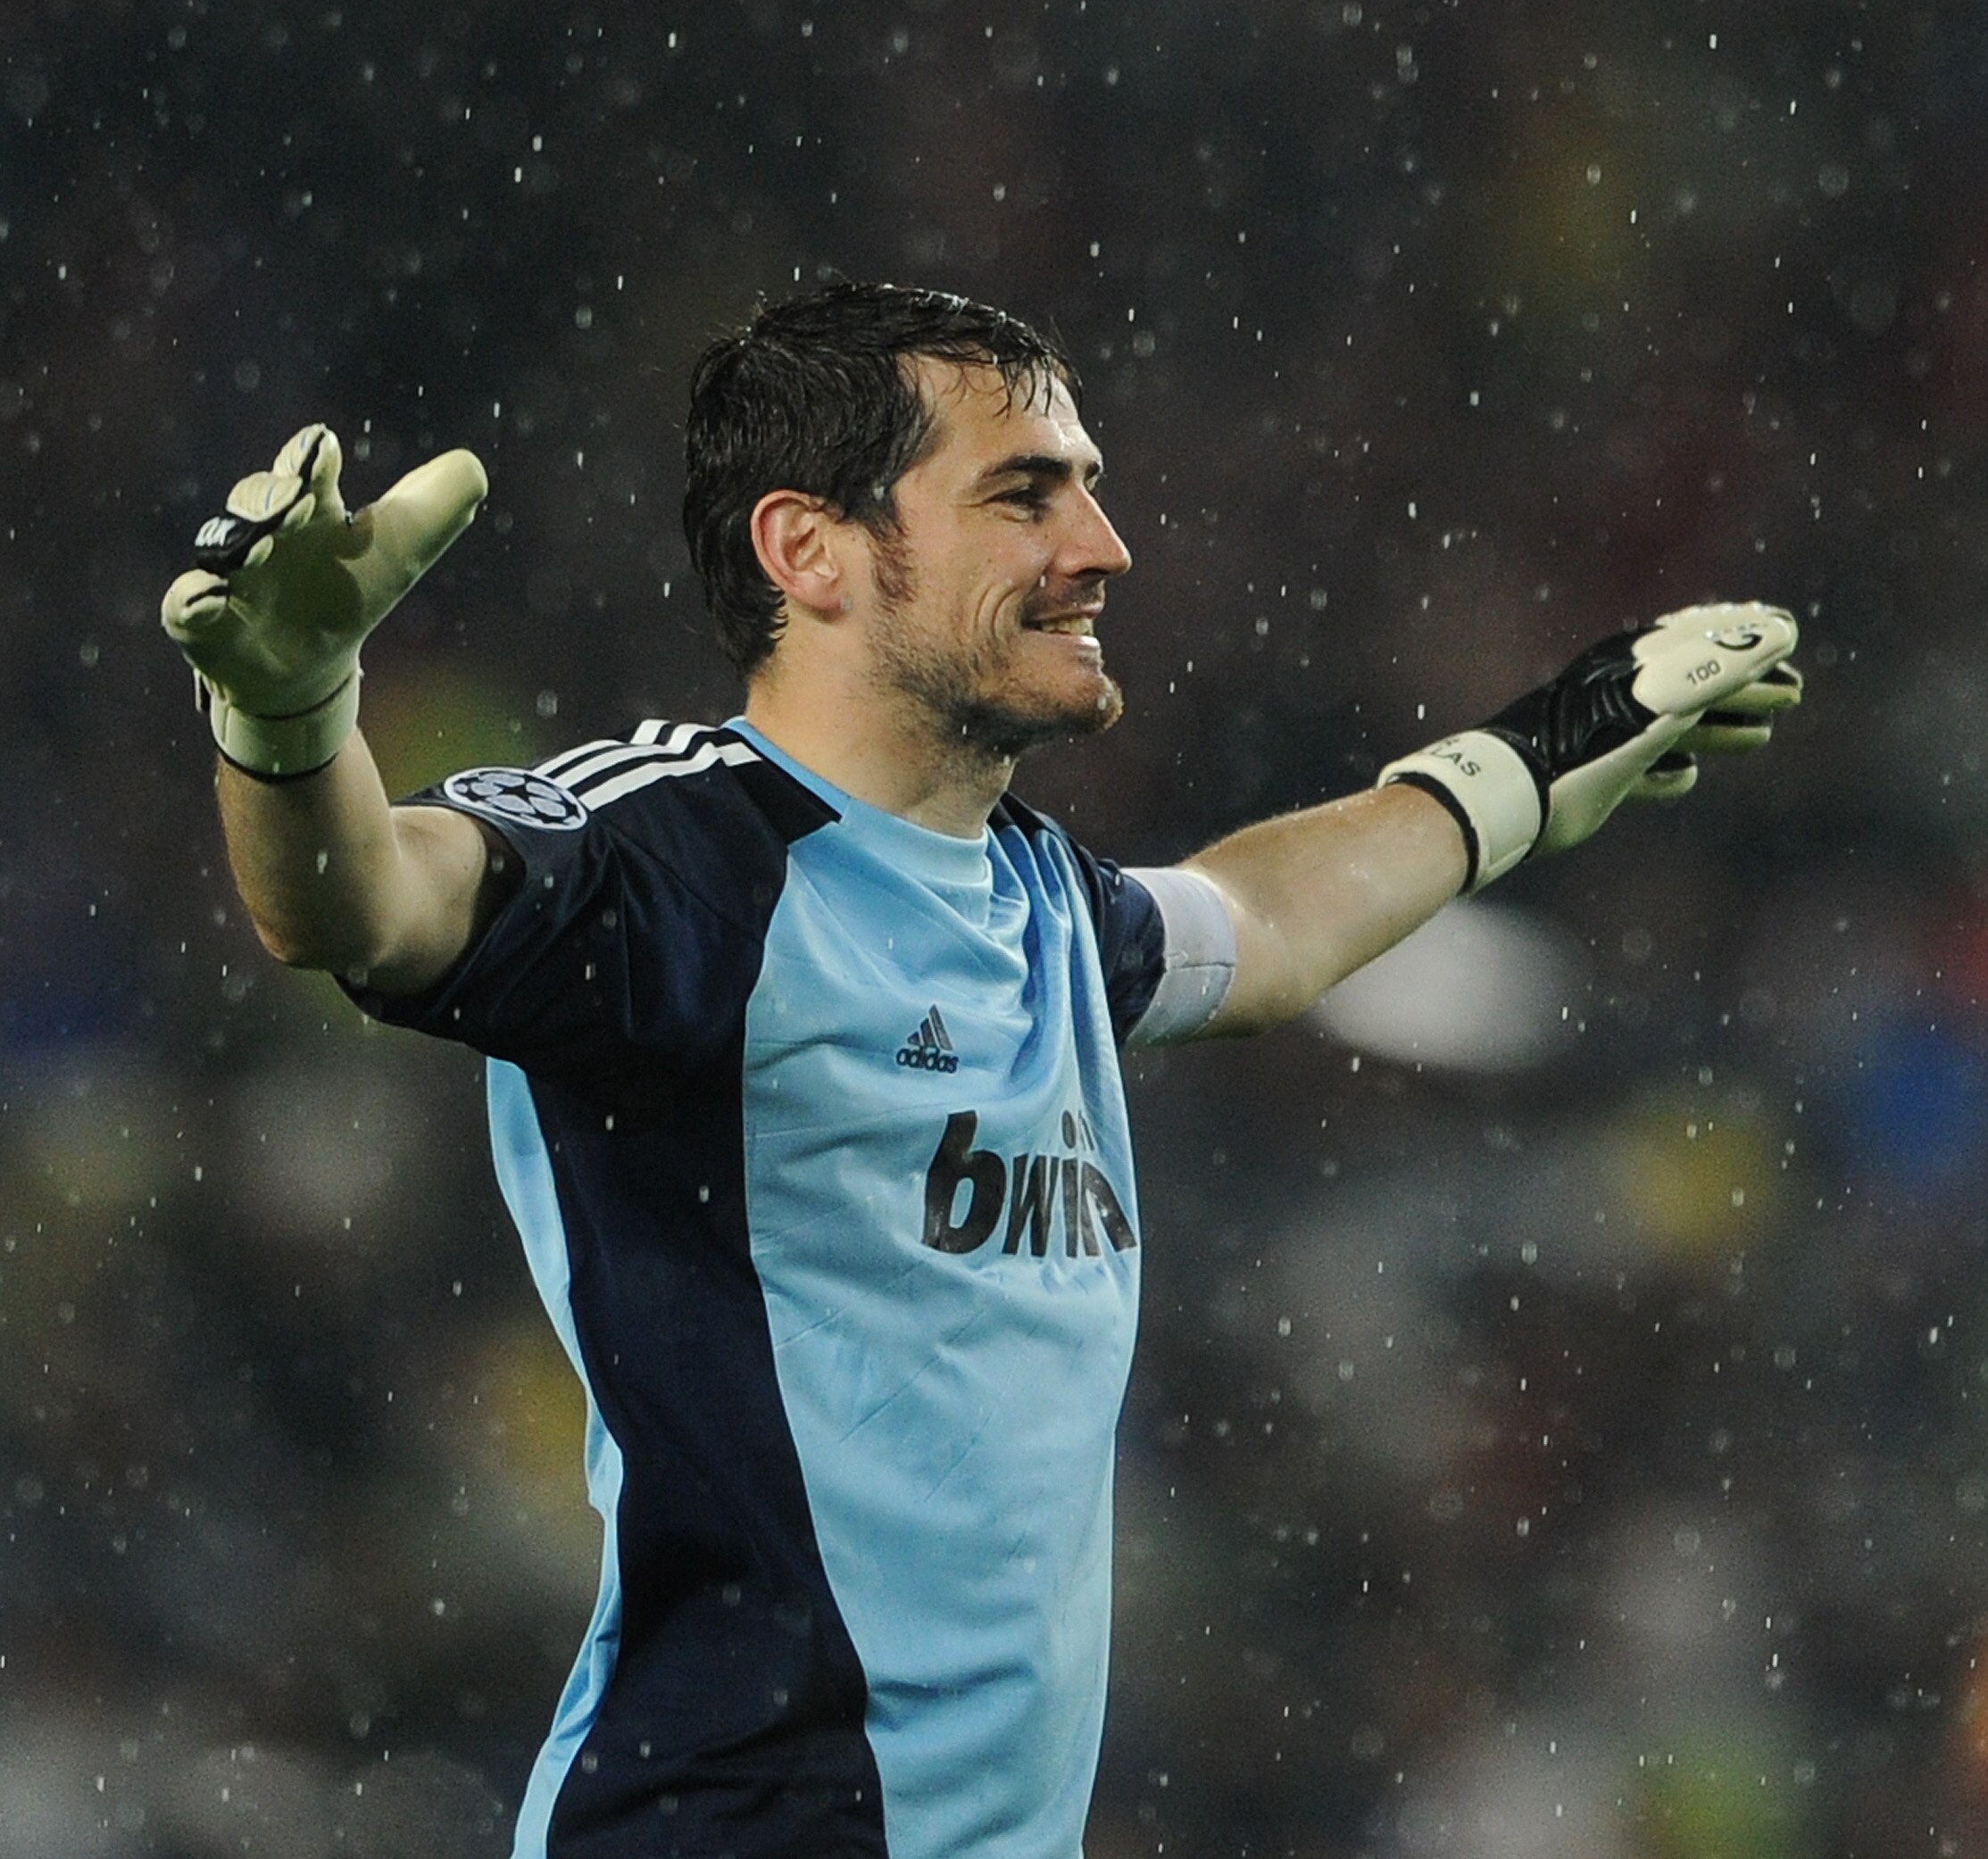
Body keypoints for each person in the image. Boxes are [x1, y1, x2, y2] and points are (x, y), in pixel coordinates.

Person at [161, 281, 1802, 1859]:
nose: (1101, 547)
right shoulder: (680, 855)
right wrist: (290, 715)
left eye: (1087, 491)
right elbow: (361, 905)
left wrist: (1530, 756)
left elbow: (1267, 921)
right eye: (1026, 496)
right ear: (811, 550)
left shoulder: (1038, 901)